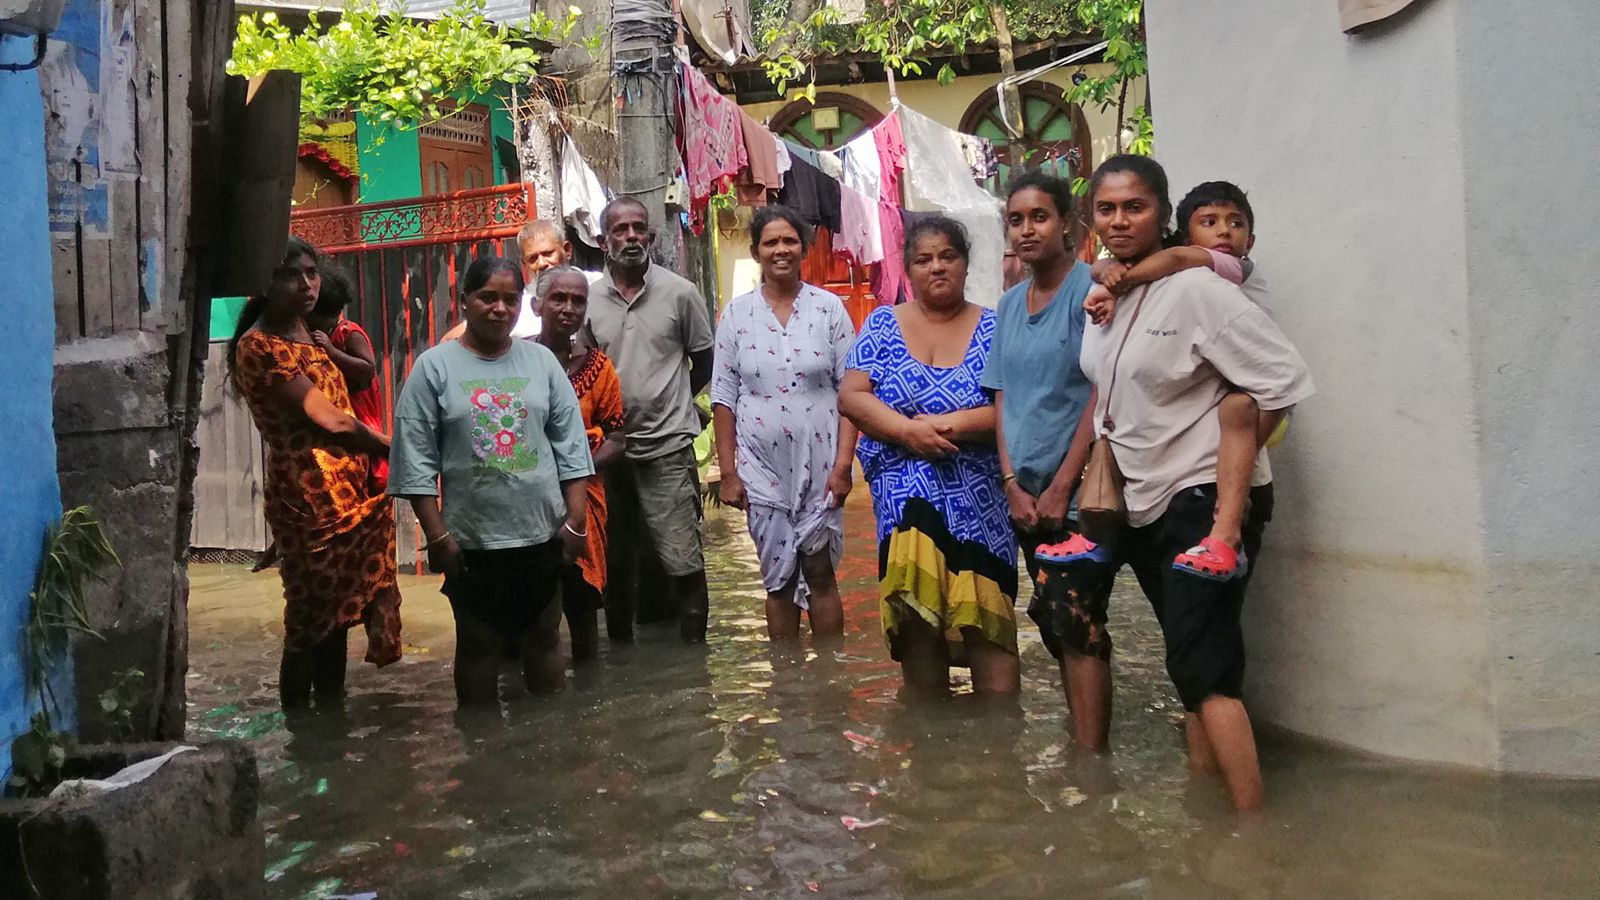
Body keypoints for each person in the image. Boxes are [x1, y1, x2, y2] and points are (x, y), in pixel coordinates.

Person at [1036, 155, 1313, 810]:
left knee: (1203, 667)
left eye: (1135, 207)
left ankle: (1250, 833)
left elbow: (1283, 378)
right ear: (1090, 218)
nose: (1119, 220)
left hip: (1199, 498)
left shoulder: (1198, 289)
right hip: (1136, 499)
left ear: (1162, 213)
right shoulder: (1112, 292)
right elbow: (1111, 391)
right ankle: (1204, 810)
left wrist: (1227, 466)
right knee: (1180, 659)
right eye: (1106, 209)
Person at [388, 257, 594, 706]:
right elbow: (415, 460)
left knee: (544, 637)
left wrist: (575, 522)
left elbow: (572, 448)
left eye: (510, 300)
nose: (500, 309)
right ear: (464, 300)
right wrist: (437, 536)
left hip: (541, 533)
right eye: (488, 297)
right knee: (478, 644)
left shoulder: (541, 363)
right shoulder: (434, 368)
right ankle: (478, 740)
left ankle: (549, 735)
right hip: (471, 540)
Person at [838, 216, 1019, 695]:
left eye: (948, 256)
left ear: (965, 264)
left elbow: (1015, 409)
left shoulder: (996, 328)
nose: (937, 267)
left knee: (989, 629)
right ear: (909, 269)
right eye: (924, 259)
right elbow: (851, 397)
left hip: (980, 502)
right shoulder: (882, 325)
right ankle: (927, 734)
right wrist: (906, 433)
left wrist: (947, 426)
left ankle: (1001, 735)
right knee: (917, 623)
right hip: (904, 500)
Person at [1076, 181, 1281, 581]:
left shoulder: (1225, 266)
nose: (1224, 232)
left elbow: (1171, 260)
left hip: (1248, 400)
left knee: (1236, 413)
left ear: (1251, 240)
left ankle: (1225, 528)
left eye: (1235, 223)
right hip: (1187, 452)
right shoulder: (1185, 275)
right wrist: (1104, 272)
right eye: (1210, 222)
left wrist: (1114, 280)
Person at [229, 237, 401, 708]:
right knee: (309, 620)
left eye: (311, 272)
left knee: (337, 615)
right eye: (291, 275)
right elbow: (332, 421)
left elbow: (361, 376)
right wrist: (397, 447)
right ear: (264, 285)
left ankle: (330, 718)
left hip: (346, 491)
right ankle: (301, 730)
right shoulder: (260, 347)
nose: (306, 284)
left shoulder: (308, 331)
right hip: (307, 495)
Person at [981, 172, 1105, 741]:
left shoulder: (1090, 292)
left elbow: (1101, 392)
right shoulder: (1009, 305)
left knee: (1077, 622)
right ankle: (1084, 746)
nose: (1027, 230)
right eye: (1016, 220)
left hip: (1076, 496)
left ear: (1067, 224)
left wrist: (1062, 486)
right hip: (1026, 496)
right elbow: (1002, 396)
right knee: (1058, 622)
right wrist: (1010, 481)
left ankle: (1090, 762)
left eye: (1040, 217)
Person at [711, 205, 858, 643]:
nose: (781, 250)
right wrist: (729, 473)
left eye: (789, 240)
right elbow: (723, 397)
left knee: (820, 570)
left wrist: (844, 466)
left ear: (803, 248)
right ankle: (786, 676)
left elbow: (852, 393)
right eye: (770, 242)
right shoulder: (736, 316)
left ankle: (829, 673)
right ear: (756, 251)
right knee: (778, 578)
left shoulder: (829, 310)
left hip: (821, 461)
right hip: (761, 467)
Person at [582, 196, 716, 644]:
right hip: (608, 452)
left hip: (668, 445)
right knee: (615, 563)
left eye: (638, 228)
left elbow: (704, 361)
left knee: (684, 559)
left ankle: (694, 663)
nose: (631, 237)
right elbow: (583, 373)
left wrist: (674, 400)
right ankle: (622, 661)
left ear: (651, 236)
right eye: (620, 230)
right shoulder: (588, 301)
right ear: (603, 240)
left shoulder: (681, 293)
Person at [253, 266, 387, 574]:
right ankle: (284, 545)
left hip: (360, 430)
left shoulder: (345, 334)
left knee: (362, 512)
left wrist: (329, 350)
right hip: (335, 441)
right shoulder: (289, 345)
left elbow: (367, 369)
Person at [534, 265, 625, 664]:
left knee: (582, 603)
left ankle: (590, 692)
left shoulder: (599, 368)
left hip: (583, 502)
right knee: (531, 610)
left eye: (578, 301)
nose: (568, 308)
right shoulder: (517, 360)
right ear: (538, 305)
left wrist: (575, 470)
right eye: (559, 298)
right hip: (528, 501)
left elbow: (618, 438)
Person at [440, 220, 592, 343]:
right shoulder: (518, 304)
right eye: (533, 258)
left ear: (567, 250)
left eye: (547, 254)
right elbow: (449, 340)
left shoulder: (595, 286)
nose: (541, 263)